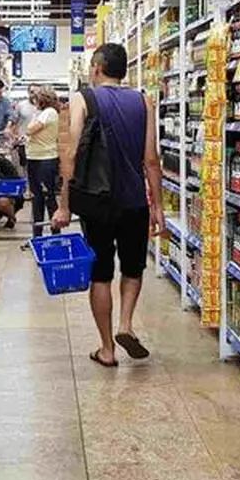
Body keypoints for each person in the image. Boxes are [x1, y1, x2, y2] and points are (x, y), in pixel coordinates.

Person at [52, 43, 163, 368]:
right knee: (133, 268)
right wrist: (156, 207)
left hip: (96, 202)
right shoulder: (144, 100)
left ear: (97, 68)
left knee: (101, 274)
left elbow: (70, 154)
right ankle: (126, 325)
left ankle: (107, 349)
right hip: (134, 202)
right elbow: (152, 159)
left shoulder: (83, 98)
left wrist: (64, 205)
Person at [23, 85, 61, 237]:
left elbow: (30, 130)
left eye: (36, 98)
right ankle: (37, 235)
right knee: (37, 198)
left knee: (47, 197)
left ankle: (55, 233)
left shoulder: (49, 113)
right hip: (35, 159)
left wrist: (33, 119)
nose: (34, 101)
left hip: (45, 160)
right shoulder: (42, 113)